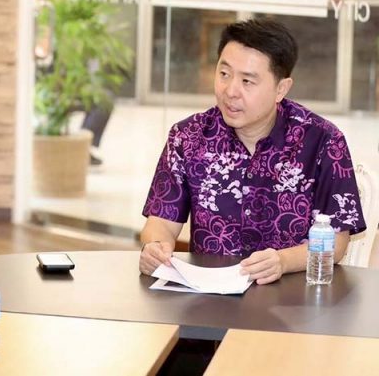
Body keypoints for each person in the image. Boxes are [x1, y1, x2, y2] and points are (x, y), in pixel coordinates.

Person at [139, 18, 365, 285]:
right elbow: (161, 223)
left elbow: (336, 242)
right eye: (224, 74)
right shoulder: (188, 137)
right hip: (209, 297)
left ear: (281, 89)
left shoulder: (323, 141)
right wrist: (155, 248)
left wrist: (283, 261)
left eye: (247, 81)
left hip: (291, 297)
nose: (230, 91)